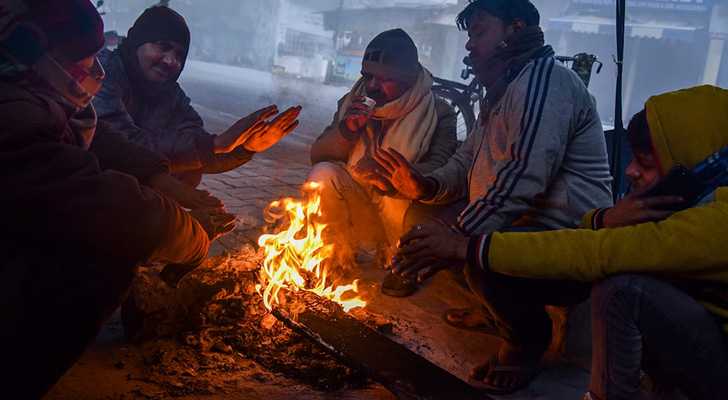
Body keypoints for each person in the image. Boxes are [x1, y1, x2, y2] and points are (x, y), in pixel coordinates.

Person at [397, 85, 728, 398]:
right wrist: (606, 219)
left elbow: (597, 252)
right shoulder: (693, 198)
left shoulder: (716, 223)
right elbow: (602, 236)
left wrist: (463, 244)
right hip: (701, 331)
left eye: (644, 162)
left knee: (623, 291)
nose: (629, 171)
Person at [379, 0, 613, 392]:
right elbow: (465, 160)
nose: (470, 46)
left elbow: (523, 177)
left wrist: (455, 236)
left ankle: (526, 343)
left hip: (564, 241)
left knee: (475, 253)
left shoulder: (544, 81)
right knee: (422, 217)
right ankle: (494, 311)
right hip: (515, 227)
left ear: (515, 29)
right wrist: (424, 186)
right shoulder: (503, 89)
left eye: (479, 32)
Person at [0, 1, 227, 396]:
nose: (91, 73)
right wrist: (191, 235)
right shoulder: (14, 116)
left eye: (179, 54)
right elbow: (110, 202)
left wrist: (170, 175)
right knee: (108, 250)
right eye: (82, 61)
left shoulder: (30, 92)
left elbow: (104, 142)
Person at [308, 28, 458, 286]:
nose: (373, 86)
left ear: (409, 79)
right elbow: (318, 155)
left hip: (401, 210)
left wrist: (393, 177)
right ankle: (335, 253)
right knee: (323, 174)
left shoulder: (438, 112)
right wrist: (347, 130)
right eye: (368, 76)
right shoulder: (352, 103)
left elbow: (441, 168)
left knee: (406, 189)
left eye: (384, 78)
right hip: (360, 203)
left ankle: (402, 261)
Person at [93, 6, 301, 188]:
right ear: (137, 43)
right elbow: (123, 147)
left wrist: (247, 148)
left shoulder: (171, 95)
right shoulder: (103, 73)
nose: (170, 61)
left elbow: (200, 154)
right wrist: (213, 144)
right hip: (90, 186)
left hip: (140, 192)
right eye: (162, 46)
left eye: (179, 55)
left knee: (189, 169)